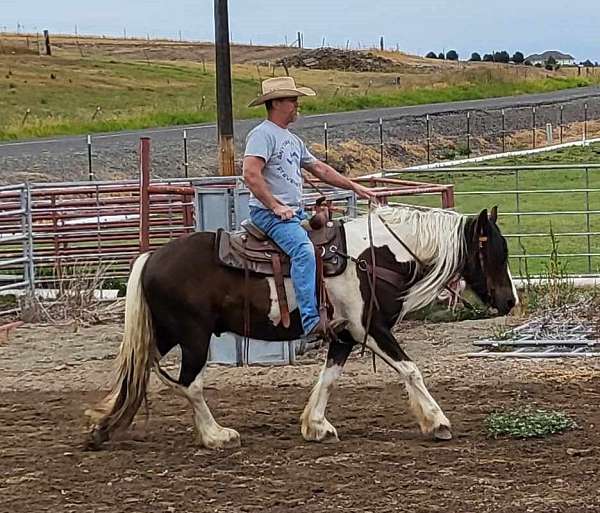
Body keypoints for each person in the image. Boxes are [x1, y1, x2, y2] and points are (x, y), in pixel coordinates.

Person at [243, 77, 377, 337]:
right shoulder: (262, 134)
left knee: (334, 240)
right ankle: (310, 320)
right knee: (304, 251)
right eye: (292, 100)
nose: (296, 105)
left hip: (293, 212)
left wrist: (353, 186)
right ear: (278, 103)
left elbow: (318, 168)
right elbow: (250, 174)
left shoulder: (292, 139)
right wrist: (274, 206)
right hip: (269, 214)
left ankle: (339, 306)